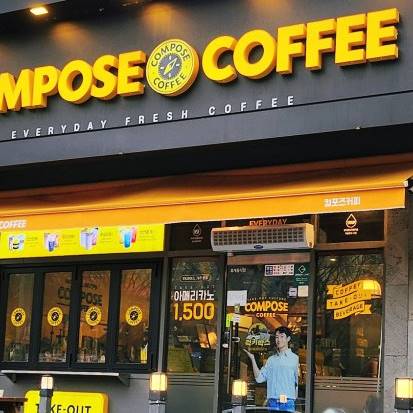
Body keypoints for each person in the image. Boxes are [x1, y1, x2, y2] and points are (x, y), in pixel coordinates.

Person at [244, 326, 299, 413]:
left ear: (288, 339)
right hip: (272, 402)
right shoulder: (271, 360)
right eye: (277, 337)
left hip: (287, 401)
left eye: (282, 336)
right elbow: (259, 378)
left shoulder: (295, 359)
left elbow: (297, 381)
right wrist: (253, 359)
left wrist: (294, 397)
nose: (279, 340)